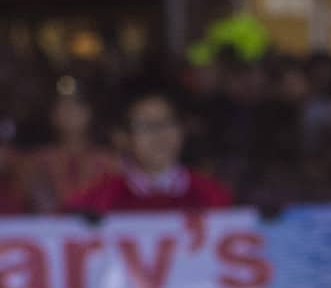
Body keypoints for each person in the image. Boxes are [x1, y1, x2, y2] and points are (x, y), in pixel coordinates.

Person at [65, 81, 233, 213]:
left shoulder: (212, 195)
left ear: (183, 129)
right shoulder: (99, 200)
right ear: (122, 137)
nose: (159, 134)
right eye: (145, 125)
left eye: (167, 122)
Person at [23, 78, 120, 213]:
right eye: (62, 105)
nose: (69, 111)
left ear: (89, 112)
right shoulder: (37, 160)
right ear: (53, 114)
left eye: (76, 105)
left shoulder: (109, 161)